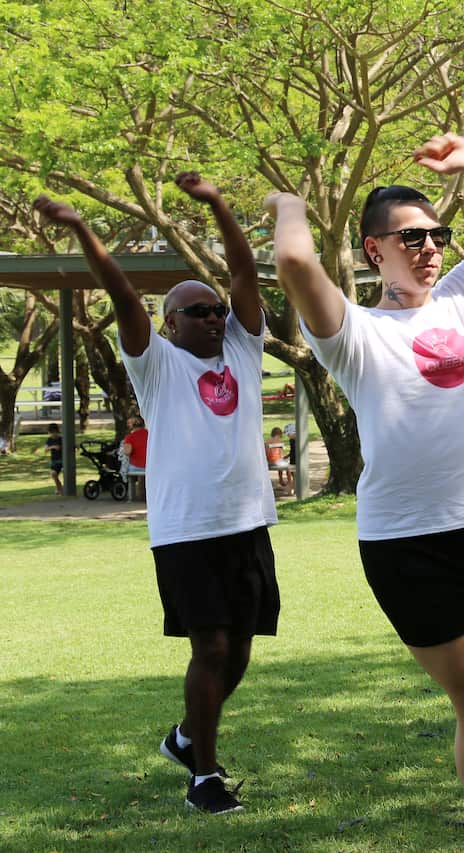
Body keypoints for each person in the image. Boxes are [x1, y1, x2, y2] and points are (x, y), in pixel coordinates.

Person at [269, 134, 464, 853]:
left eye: (437, 235)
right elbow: (293, 259)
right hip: (406, 546)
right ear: (372, 250)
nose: (429, 248)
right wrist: (287, 203)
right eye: (410, 238)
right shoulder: (353, 332)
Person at [35, 172, 280, 816]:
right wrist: (82, 229)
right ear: (169, 322)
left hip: (248, 524)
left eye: (216, 309)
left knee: (241, 655)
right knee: (214, 648)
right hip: (186, 530)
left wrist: (218, 204)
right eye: (197, 311)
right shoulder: (157, 363)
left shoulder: (242, 353)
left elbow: (245, 275)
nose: (213, 316)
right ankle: (204, 775)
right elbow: (119, 291)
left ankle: (183, 738)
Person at [120, 415, 148, 501]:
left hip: (137, 466)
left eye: (129, 423)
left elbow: (127, 452)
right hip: (151, 465)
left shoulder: (130, 437)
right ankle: (143, 494)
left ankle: (133, 496)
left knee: (127, 466)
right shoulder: (150, 433)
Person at [43, 423, 63, 495]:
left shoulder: (61, 439)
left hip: (63, 460)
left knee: (66, 474)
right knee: (53, 474)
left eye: (54, 432)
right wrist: (53, 447)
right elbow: (45, 449)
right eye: (51, 433)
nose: (53, 434)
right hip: (54, 460)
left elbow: (70, 444)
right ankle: (59, 487)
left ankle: (61, 489)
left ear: (57, 431)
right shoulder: (49, 440)